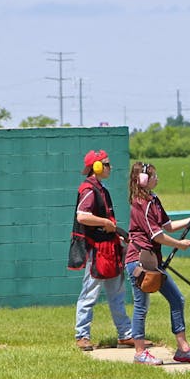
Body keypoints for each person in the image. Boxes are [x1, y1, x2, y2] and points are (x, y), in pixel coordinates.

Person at [124, 162, 190, 366]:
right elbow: (158, 236)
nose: (157, 178)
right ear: (142, 180)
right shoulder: (140, 203)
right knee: (141, 307)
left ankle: (183, 349)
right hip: (139, 262)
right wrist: (180, 244)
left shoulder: (154, 200)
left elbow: (167, 226)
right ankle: (140, 353)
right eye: (153, 176)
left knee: (177, 299)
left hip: (152, 261)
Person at [70, 149, 133, 351]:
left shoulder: (101, 188)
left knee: (117, 294)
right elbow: (82, 216)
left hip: (109, 248)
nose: (109, 167)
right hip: (96, 250)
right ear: (96, 167)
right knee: (89, 294)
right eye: (106, 164)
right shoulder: (89, 189)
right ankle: (82, 335)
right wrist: (104, 221)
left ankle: (126, 334)